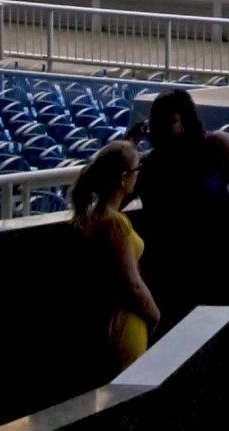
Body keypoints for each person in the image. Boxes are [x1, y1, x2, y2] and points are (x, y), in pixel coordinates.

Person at [135, 90, 229, 326]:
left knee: (217, 321)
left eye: (170, 121)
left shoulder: (217, 145)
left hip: (223, 254)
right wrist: (129, 143)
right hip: (177, 263)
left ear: (185, 120)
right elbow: (114, 187)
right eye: (157, 121)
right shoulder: (149, 164)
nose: (162, 127)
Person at [70, 141, 158, 374]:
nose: (139, 176)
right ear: (123, 178)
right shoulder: (116, 224)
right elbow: (133, 284)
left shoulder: (93, 217)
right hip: (125, 328)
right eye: (137, 170)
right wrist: (154, 315)